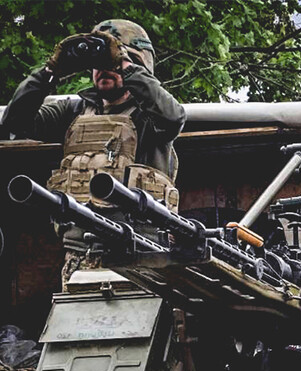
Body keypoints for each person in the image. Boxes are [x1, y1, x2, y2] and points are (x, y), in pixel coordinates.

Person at [1, 19, 186, 289]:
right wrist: (50, 71)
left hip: (140, 256)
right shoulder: (74, 111)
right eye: (98, 63)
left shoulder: (151, 117)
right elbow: (15, 123)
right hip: (80, 256)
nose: (104, 70)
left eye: (112, 63)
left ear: (138, 66)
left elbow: (173, 118)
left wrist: (125, 64)